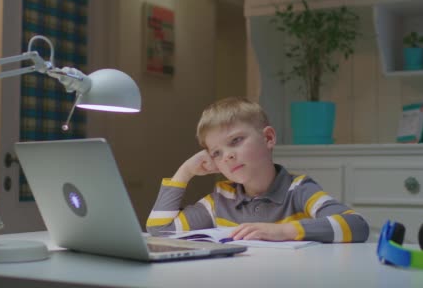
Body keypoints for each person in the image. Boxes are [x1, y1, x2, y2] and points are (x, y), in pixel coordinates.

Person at [146, 97, 369, 243]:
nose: (228, 156)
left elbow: (356, 225)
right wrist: (184, 172)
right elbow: (160, 231)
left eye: (236, 141)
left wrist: (284, 231)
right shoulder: (220, 199)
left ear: (268, 138)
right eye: (217, 153)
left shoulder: (299, 189)